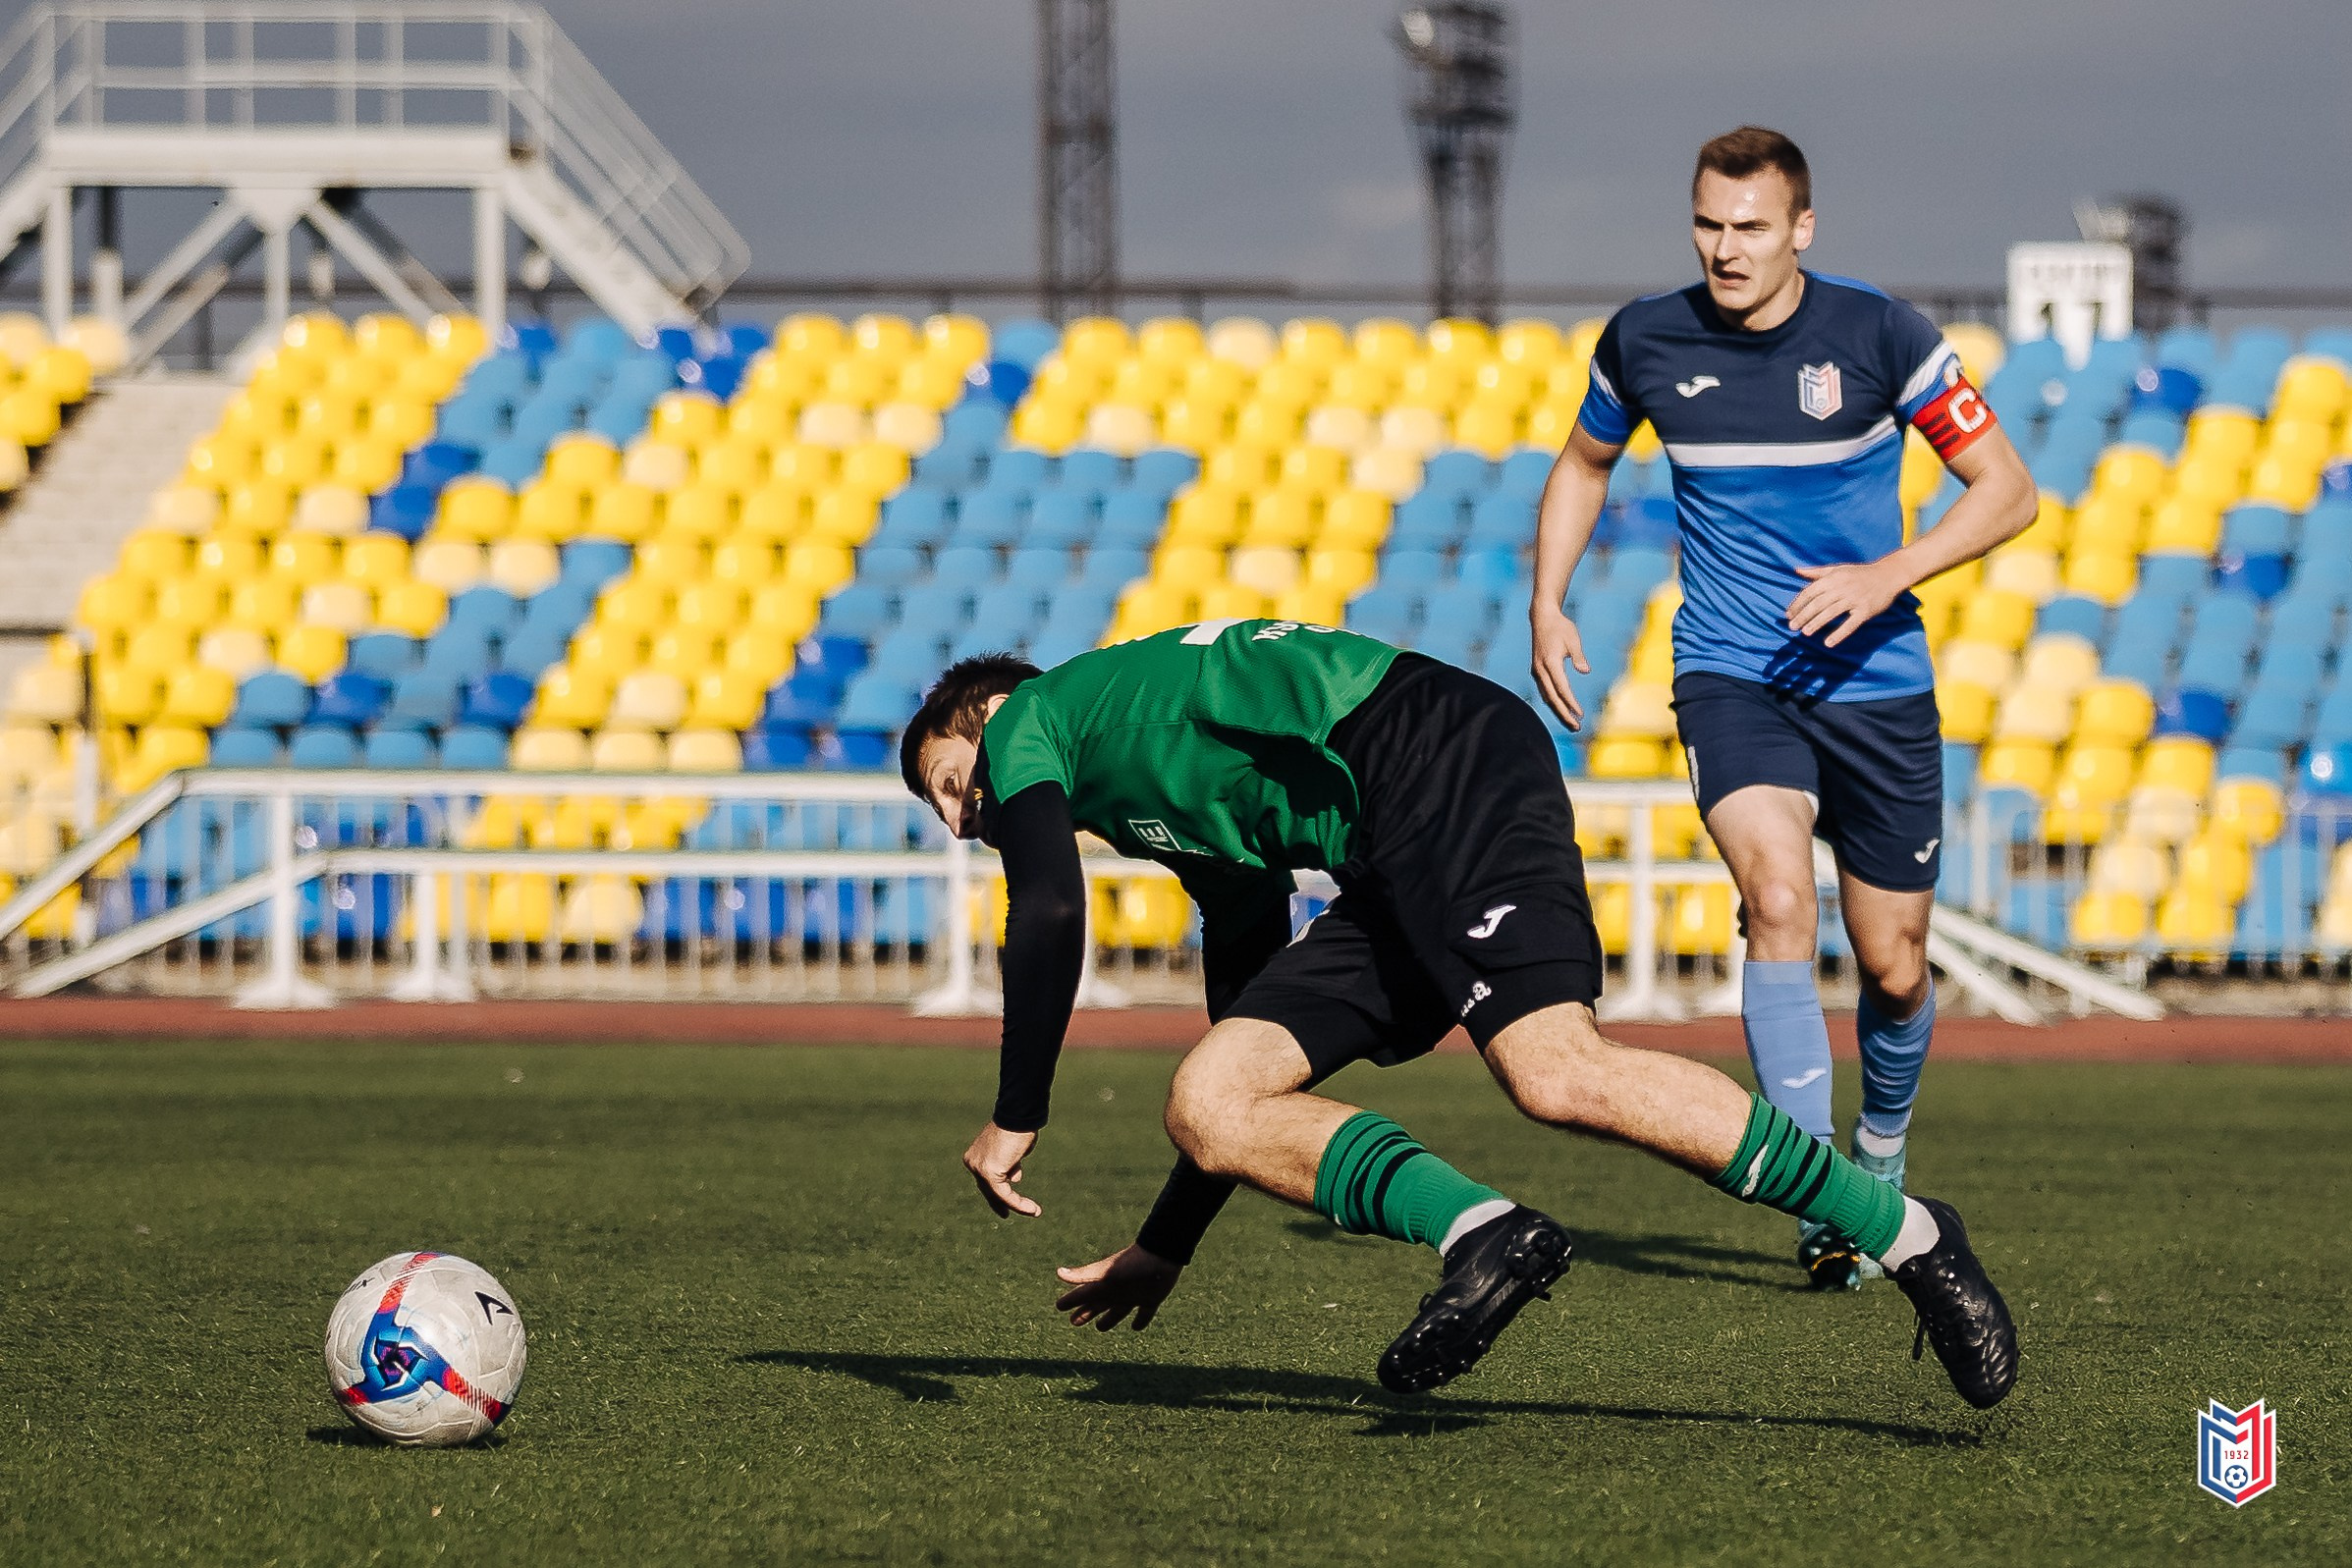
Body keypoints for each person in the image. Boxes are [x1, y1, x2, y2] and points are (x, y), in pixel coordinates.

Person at [900, 622, 2018, 1406]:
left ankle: (1908, 1231)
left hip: (1437, 756)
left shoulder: (1035, 713)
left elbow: (1045, 904)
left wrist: (1017, 1110)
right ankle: (1484, 1235)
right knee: (1211, 1094)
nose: (961, 820)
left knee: (1555, 1071)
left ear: (988, 716)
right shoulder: (1166, 810)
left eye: (952, 781)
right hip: (1392, 838)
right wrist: (1165, 1245)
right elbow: (1240, 1030)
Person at [1528, 127, 2039, 1289]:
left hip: (1877, 683)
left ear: (1801, 227)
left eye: (1750, 227)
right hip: (1732, 674)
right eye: (1707, 224)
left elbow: (2008, 493)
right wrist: (1546, 599)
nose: (1725, 249)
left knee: (1895, 966)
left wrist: (1888, 573)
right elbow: (1582, 463)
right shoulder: (1643, 338)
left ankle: (1880, 1153)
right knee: (1772, 897)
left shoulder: (1882, 335)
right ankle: (1824, 1188)